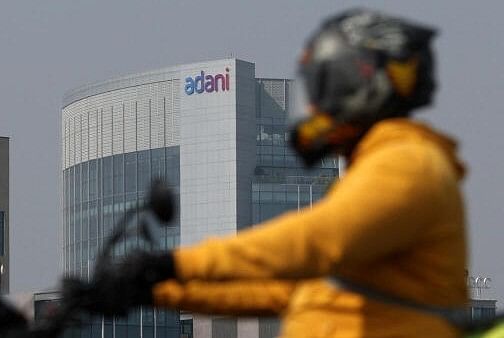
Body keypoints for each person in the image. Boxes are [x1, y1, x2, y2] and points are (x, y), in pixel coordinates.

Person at [66, 8, 468, 338]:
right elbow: (286, 291)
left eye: (330, 84)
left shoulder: (409, 165)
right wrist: (154, 292)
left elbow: (316, 239)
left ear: (372, 84)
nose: (316, 106)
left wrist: (173, 264)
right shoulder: (377, 171)